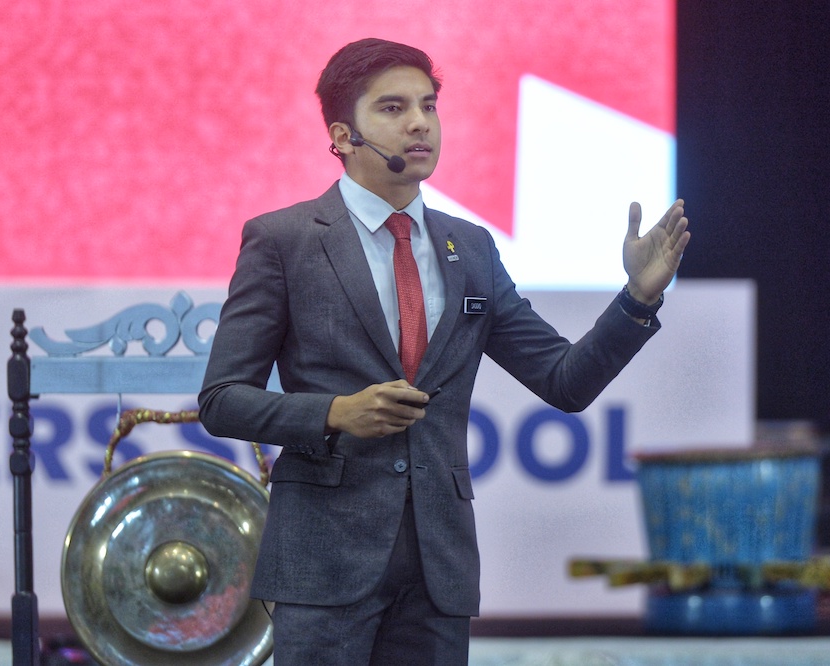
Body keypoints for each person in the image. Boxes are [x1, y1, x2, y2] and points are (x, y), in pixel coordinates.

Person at [199, 37, 689, 665]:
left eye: (428, 106)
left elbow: (564, 381)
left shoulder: (471, 249)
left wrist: (637, 300)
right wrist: (333, 414)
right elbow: (221, 400)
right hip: (324, 564)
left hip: (438, 568)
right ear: (344, 136)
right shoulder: (284, 241)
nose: (419, 123)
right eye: (394, 108)